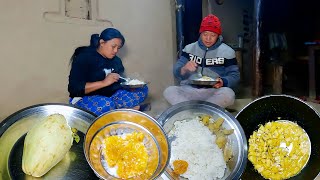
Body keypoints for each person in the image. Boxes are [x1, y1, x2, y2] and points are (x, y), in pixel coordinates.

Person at [163, 14, 240, 108]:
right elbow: (176, 71)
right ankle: (200, 110)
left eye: (213, 35)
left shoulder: (228, 52)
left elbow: (235, 76)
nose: (208, 39)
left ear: (218, 35)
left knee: (229, 94)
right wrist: (184, 68)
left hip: (213, 91)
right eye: (205, 34)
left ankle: (196, 110)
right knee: (169, 91)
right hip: (190, 89)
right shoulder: (189, 48)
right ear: (200, 33)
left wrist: (223, 81)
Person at [68, 28, 149, 116]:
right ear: (102, 43)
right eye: (113, 46)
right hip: (84, 99)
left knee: (142, 90)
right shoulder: (84, 58)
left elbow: (118, 83)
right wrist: (104, 82)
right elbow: (74, 89)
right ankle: (124, 111)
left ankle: (117, 111)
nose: (115, 51)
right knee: (106, 105)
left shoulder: (116, 61)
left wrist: (129, 85)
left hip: (110, 97)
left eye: (118, 48)